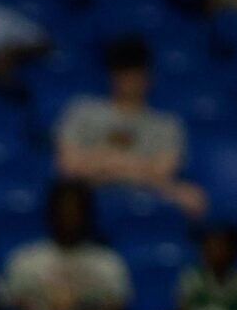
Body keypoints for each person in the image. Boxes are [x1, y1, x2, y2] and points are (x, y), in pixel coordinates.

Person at [55, 35, 206, 218]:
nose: (129, 79)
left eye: (135, 72)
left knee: (193, 198)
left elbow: (163, 172)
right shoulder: (82, 110)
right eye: (122, 72)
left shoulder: (167, 124)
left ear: (147, 75)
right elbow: (69, 166)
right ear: (111, 74)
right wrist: (138, 167)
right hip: (89, 193)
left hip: (147, 197)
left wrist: (106, 161)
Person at [1, 181, 132, 310]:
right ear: (51, 212)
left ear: (87, 213)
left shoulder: (107, 262)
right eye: (63, 209)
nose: (69, 215)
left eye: (76, 209)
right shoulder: (25, 260)